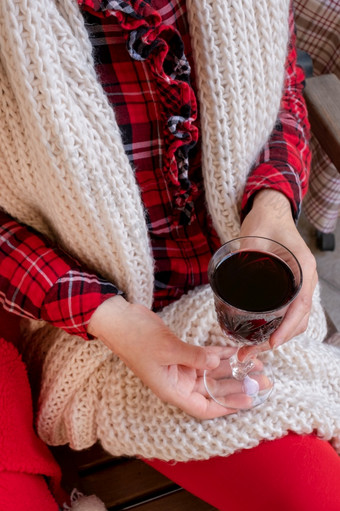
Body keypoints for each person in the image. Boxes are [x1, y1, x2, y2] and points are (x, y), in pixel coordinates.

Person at [0, 0, 340, 510]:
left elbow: (283, 85)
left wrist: (272, 202)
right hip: (96, 325)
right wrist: (114, 321)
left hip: (234, 279)